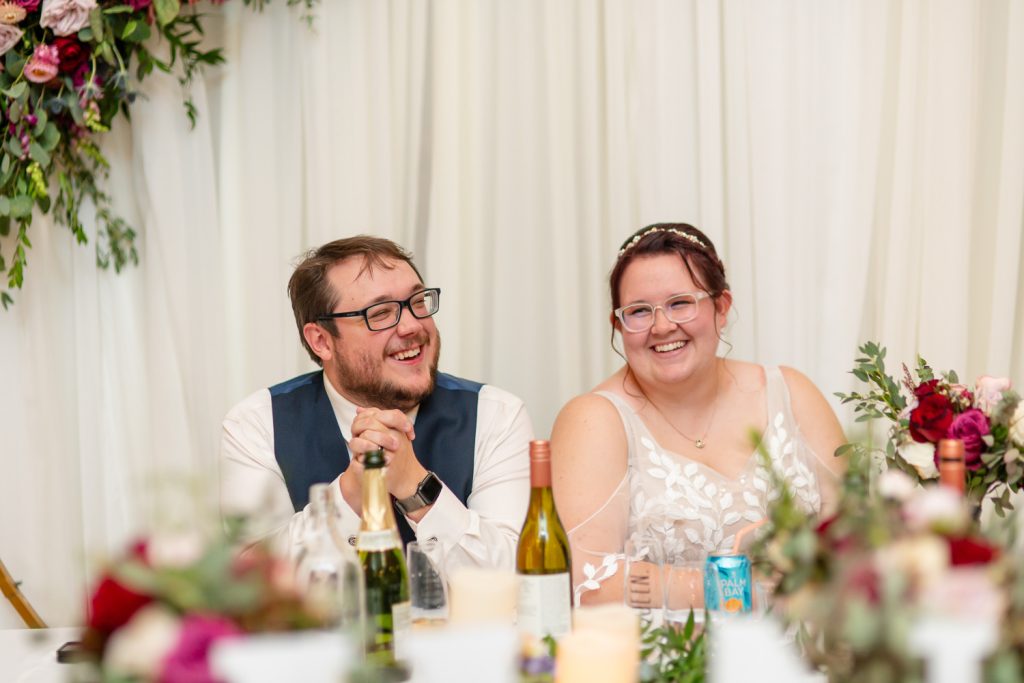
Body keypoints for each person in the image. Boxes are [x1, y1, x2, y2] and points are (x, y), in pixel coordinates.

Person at [551, 223, 845, 605]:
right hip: (674, 643)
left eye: (680, 303)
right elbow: (589, 584)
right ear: (618, 326)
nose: (662, 326)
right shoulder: (593, 420)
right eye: (639, 312)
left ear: (721, 308)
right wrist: (747, 588)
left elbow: (857, 540)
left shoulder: (791, 393)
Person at [220, 236, 533, 571]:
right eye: (381, 313)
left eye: (418, 302)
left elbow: (519, 576)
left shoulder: (495, 415)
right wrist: (348, 497)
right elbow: (250, 580)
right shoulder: (258, 425)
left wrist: (417, 489)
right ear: (322, 341)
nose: (412, 326)